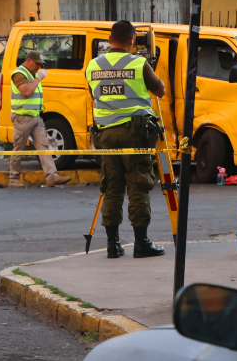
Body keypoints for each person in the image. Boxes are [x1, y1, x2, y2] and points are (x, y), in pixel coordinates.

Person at [86, 21, 167, 259]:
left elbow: (94, 94)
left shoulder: (93, 65)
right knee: (138, 186)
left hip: (106, 136)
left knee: (112, 187)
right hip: (135, 134)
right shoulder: (139, 63)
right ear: (132, 40)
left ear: (109, 40)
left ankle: (113, 244)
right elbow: (160, 90)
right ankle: (141, 243)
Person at [9, 50, 71, 188]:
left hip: (36, 117)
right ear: (29, 60)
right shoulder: (20, 74)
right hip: (23, 118)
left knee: (44, 147)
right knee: (18, 148)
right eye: (37, 64)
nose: (39, 67)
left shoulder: (31, 74)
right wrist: (38, 79)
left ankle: (52, 176)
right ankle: (13, 179)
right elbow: (26, 92)